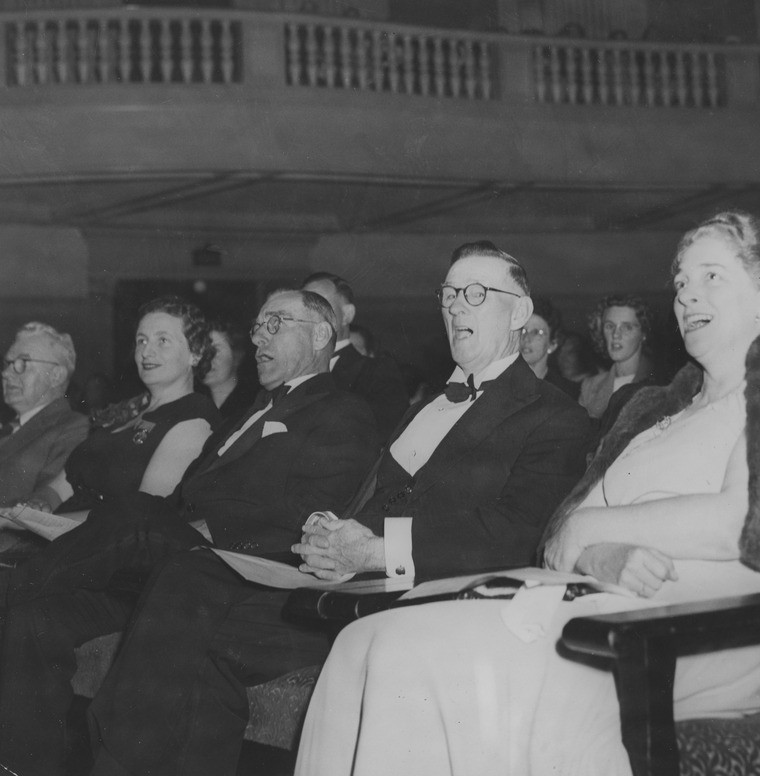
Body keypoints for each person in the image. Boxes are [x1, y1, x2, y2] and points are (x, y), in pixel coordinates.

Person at [294, 213, 760, 776]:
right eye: (682, 281)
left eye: (712, 277)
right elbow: (559, 540)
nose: (688, 295)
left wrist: (593, 535)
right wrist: (598, 552)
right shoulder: (655, 411)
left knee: (426, 662)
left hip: (693, 632)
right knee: (370, 643)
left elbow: (746, 523)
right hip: (591, 602)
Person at [84, 244, 590, 776]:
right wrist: (332, 531)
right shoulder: (427, 407)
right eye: (448, 295)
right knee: (193, 582)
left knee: (195, 609)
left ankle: (113, 761)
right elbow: (371, 496)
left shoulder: (554, 417)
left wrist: (374, 549)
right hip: (342, 583)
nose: (456, 307)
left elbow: (517, 533)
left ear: (518, 312)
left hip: (419, 600)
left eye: (476, 294)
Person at [0, 290, 379, 776]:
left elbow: (307, 515)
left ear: (322, 334)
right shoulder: (247, 413)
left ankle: (9, 588)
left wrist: (201, 528)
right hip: (174, 561)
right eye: (257, 326)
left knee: (136, 513)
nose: (259, 337)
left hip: (236, 568)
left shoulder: (341, 410)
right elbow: (186, 497)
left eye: (276, 324)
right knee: (39, 616)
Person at [19, 299, 217, 516]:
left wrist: (51, 523)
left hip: (109, 541)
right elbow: (61, 485)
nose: (146, 352)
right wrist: (40, 503)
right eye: (142, 341)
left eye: (162, 340)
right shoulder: (128, 411)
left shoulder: (194, 417)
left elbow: (141, 516)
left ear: (195, 353)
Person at [301, 272, 409, 441]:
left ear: (347, 315)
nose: (308, 316)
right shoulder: (289, 372)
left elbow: (387, 435)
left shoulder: (376, 372)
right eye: (303, 308)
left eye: (320, 305)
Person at [0, 322, 89, 507]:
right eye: (7, 363)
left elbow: (43, 508)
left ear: (56, 375)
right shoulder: (8, 428)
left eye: (22, 363)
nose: (6, 374)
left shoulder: (74, 428)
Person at [578, 294, 657, 420]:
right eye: (610, 326)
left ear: (643, 334)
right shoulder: (590, 386)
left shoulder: (659, 384)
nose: (616, 334)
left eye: (627, 327)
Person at [519, 296, 580, 399]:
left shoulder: (566, 392)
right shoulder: (502, 385)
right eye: (523, 330)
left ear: (552, 344)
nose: (526, 339)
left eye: (536, 332)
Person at [202, 317, 257, 423]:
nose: (206, 358)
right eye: (203, 350)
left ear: (237, 355)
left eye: (216, 350)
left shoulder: (252, 406)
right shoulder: (195, 404)